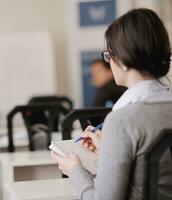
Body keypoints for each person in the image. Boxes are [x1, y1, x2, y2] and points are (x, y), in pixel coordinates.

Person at [51, 8, 172, 199]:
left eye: (109, 55)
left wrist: (74, 169)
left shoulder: (123, 120)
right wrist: (110, 150)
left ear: (123, 61)